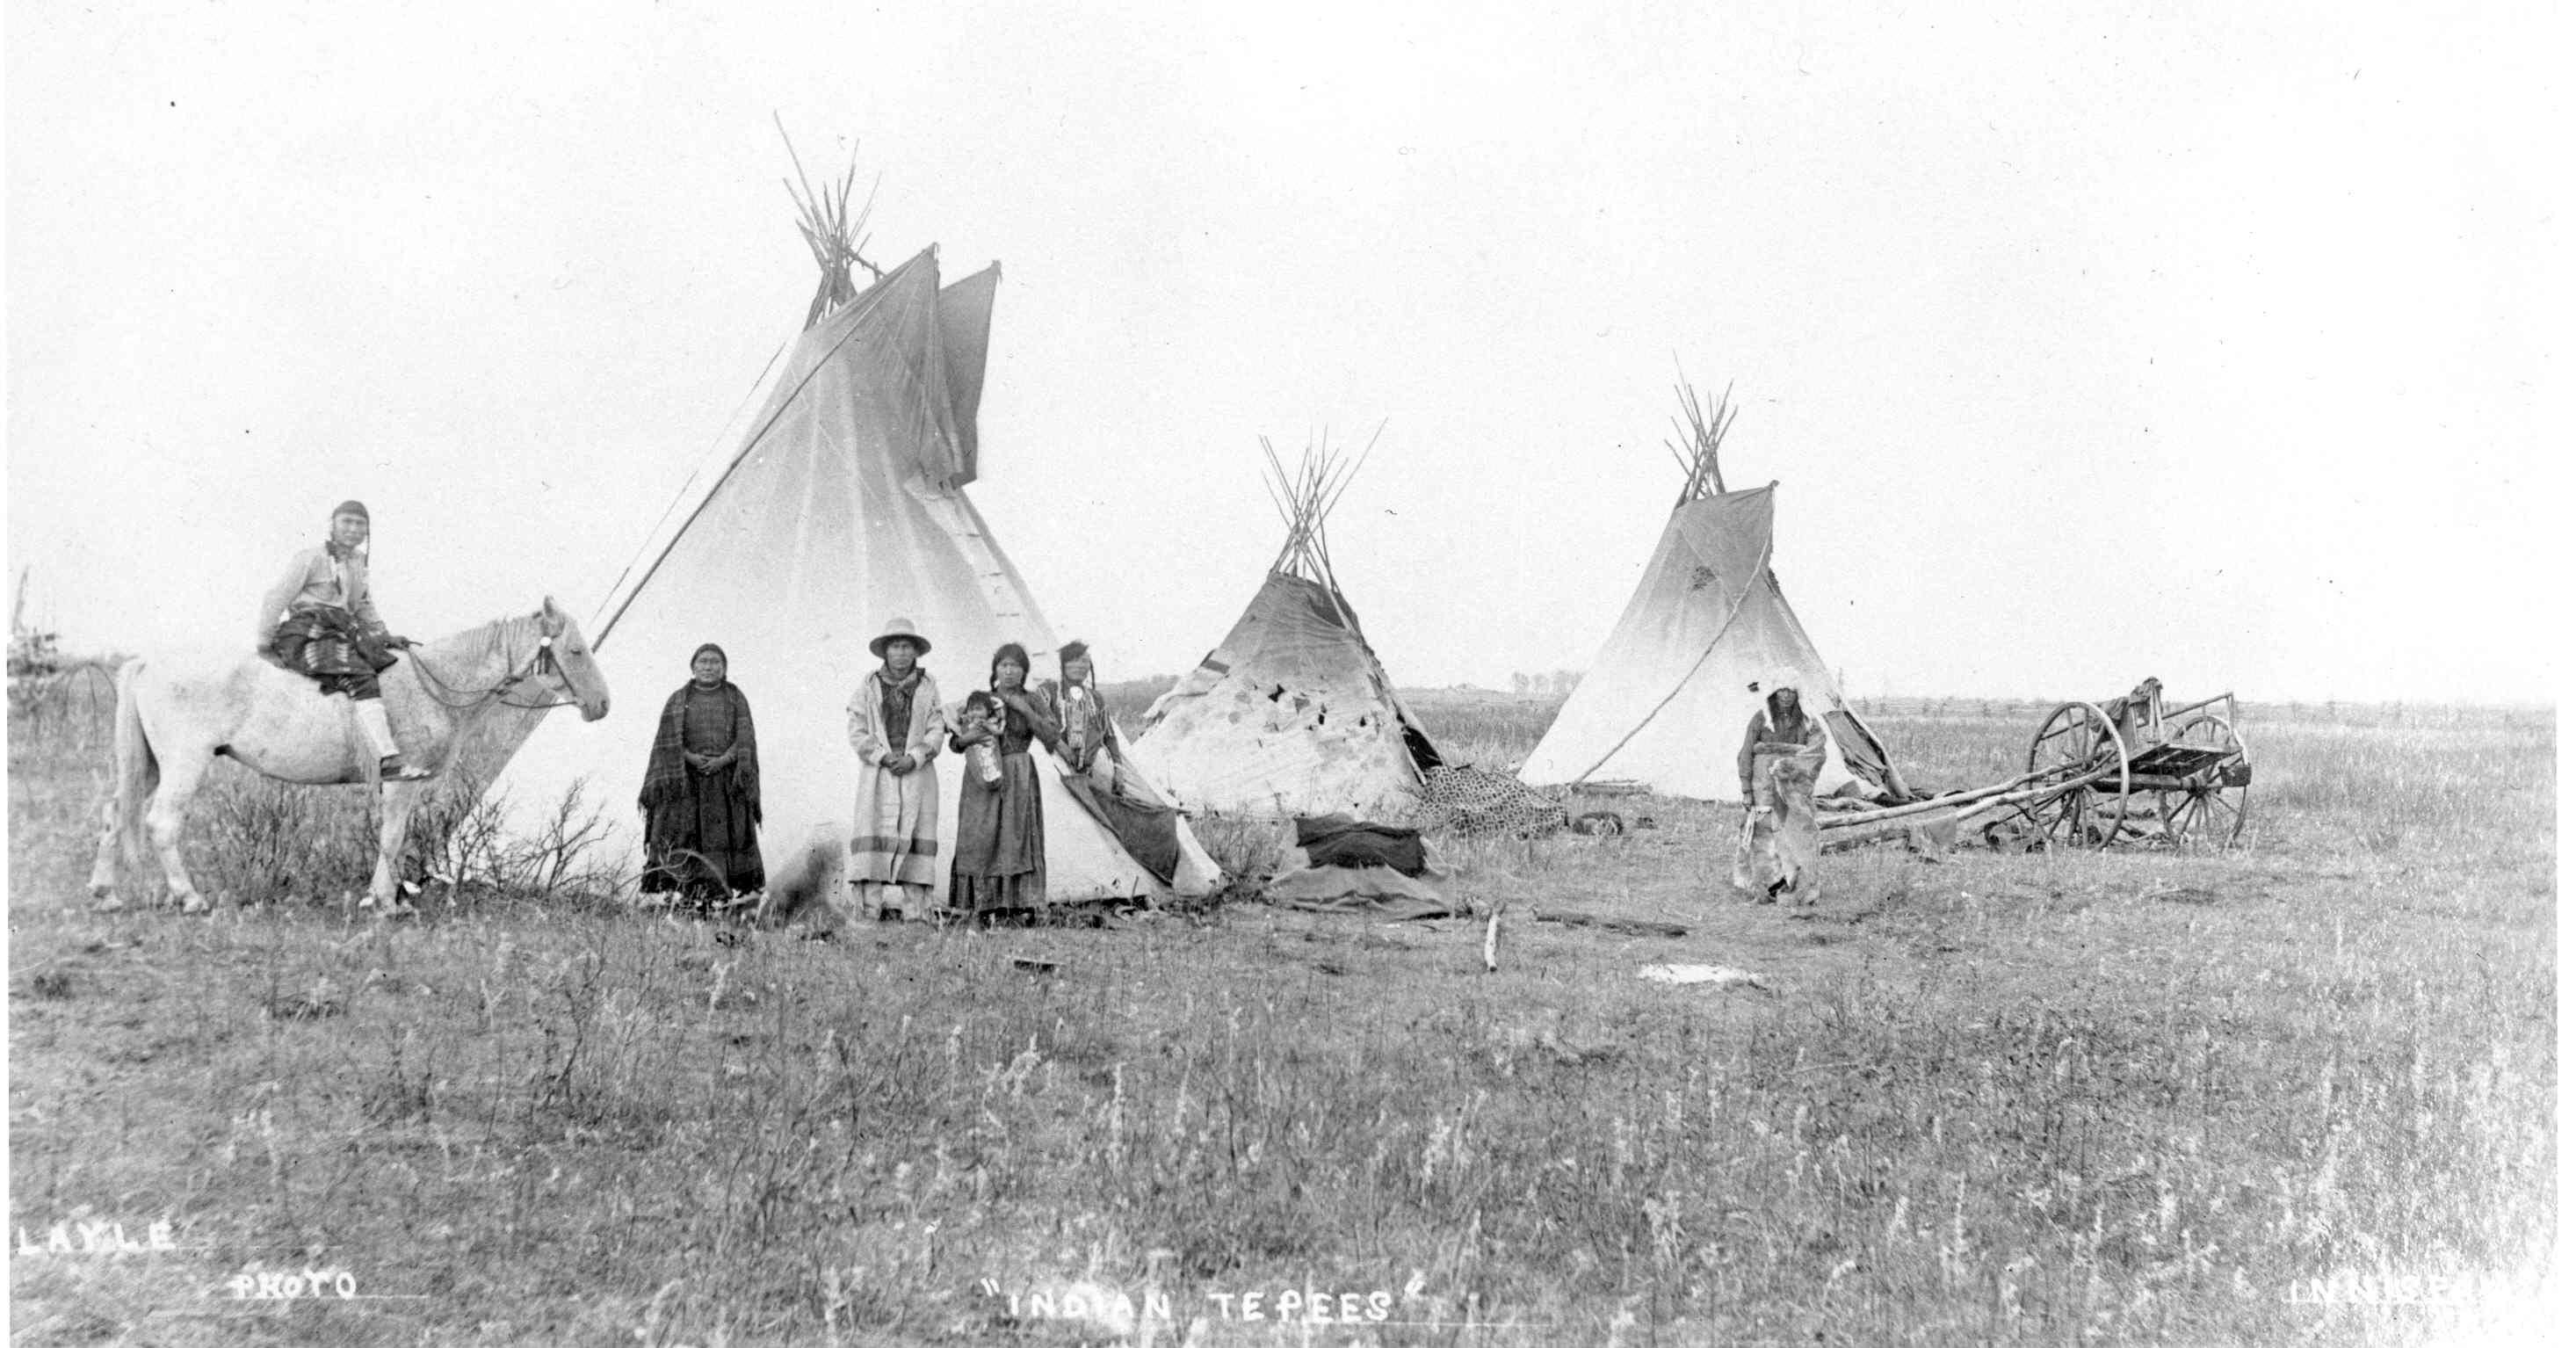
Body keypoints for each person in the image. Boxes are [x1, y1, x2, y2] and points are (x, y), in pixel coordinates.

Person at [257, 499, 429, 780]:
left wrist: (383, 635)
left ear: (367, 531)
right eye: (346, 522)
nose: (353, 529)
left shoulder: (358, 562)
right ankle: (386, 759)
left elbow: (362, 605)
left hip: (342, 630)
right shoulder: (310, 558)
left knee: (389, 664)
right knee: (360, 675)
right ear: (333, 525)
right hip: (307, 631)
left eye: (360, 524)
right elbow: (276, 598)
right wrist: (264, 644)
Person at [639, 643, 764, 917]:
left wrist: (722, 760)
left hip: (725, 783)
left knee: (722, 838)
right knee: (681, 835)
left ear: (724, 668)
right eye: (703, 662)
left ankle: (717, 901)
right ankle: (677, 898)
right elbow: (667, 742)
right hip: (685, 782)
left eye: (715, 662)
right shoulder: (678, 699)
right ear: (693, 667)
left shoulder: (734, 698)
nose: (709, 667)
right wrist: (693, 758)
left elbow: (745, 739)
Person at [947, 642, 1065, 924]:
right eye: (1004, 665)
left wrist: (1023, 708)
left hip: (1018, 770)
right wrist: (970, 738)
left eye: (1016, 666)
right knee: (981, 833)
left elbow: (1051, 735)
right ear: (995, 669)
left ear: (1024, 671)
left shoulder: (1033, 699)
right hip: (984, 770)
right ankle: (982, 905)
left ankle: (1019, 904)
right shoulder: (981, 699)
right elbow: (955, 742)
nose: (1009, 671)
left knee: (1016, 836)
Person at [846, 619, 946, 922]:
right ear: (885, 652)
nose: (901, 653)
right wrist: (883, 756)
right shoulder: (868, 685)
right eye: (895, 647)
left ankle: (916, 913)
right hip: (879, 773)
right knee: (873, 832)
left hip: (917, 774)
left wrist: (915, 757)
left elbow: (936, 728)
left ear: (915, 652)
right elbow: (857, 728)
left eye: (906, 647)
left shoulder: (928, 686)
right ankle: (867, 911)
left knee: (917, 832)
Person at [1032, 639, 1121, 792]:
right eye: (1074, 661)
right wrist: (1059, 745)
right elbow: (1036, 720)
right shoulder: (1048, 691)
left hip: (1095, 769)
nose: (1079, 666)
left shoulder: (1096, 698)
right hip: (1058, 767)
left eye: (1085, 661)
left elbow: (1110, 736)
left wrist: (1118, 769)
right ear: (1063, 664)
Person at [1736, 685, 1827, 808]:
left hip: (1794, 782)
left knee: (1795, 820)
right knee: (1765, 820)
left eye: (1792, 691)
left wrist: (1799, 766)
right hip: (1764, 783)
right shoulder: (1761, 717)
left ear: (1798, 694)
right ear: (1774, 692)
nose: (1786, 695)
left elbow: (1817, 750)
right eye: (1782, 690)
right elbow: (1746, 753)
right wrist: (1746, 791)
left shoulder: (1808, 720)